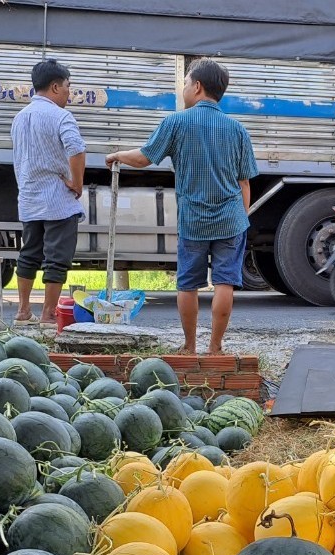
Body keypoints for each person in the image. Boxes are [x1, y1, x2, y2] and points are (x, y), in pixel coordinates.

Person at [106, 59, 258, 355]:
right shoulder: (237, 129)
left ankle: (189, 347)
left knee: (188, 284)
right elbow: (244, 184)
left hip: (194, 220)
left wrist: (116, 155)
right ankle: (216, 348)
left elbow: (144, 157)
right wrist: (242, 218)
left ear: (198, 86)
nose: (184, 87)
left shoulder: (176, 122)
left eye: (186, 82)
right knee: (225, 282)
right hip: (230, 218)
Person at [10, 58, 87, 325]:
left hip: (29, 199)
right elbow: (76, 150)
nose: (69, 92)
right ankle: (49, 314)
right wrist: (77, 183)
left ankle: (22, 311)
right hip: (58, 201)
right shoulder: (61, 116)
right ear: (55, 87)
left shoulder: (19, 118)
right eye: (67, 86)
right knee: (56, 259)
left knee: (29, 253)